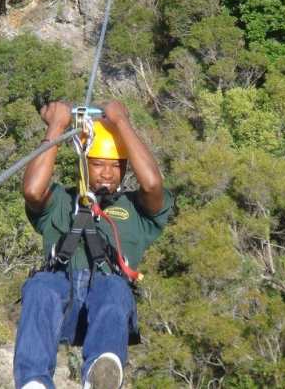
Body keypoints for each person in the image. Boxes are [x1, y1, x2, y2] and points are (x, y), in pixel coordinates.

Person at [15, 100, 173, 389]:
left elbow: (151, 185)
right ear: (83, 163)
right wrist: (56, 126)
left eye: (116, 166)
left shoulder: (136, 210)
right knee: (39, 286)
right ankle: (34, 383)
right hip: (59, 298)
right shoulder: (60, 201)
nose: (108, 174)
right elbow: (32, 190)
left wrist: (122, 122)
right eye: (99, 164)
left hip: (105, 308)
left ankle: (101, 372)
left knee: (114, 286)